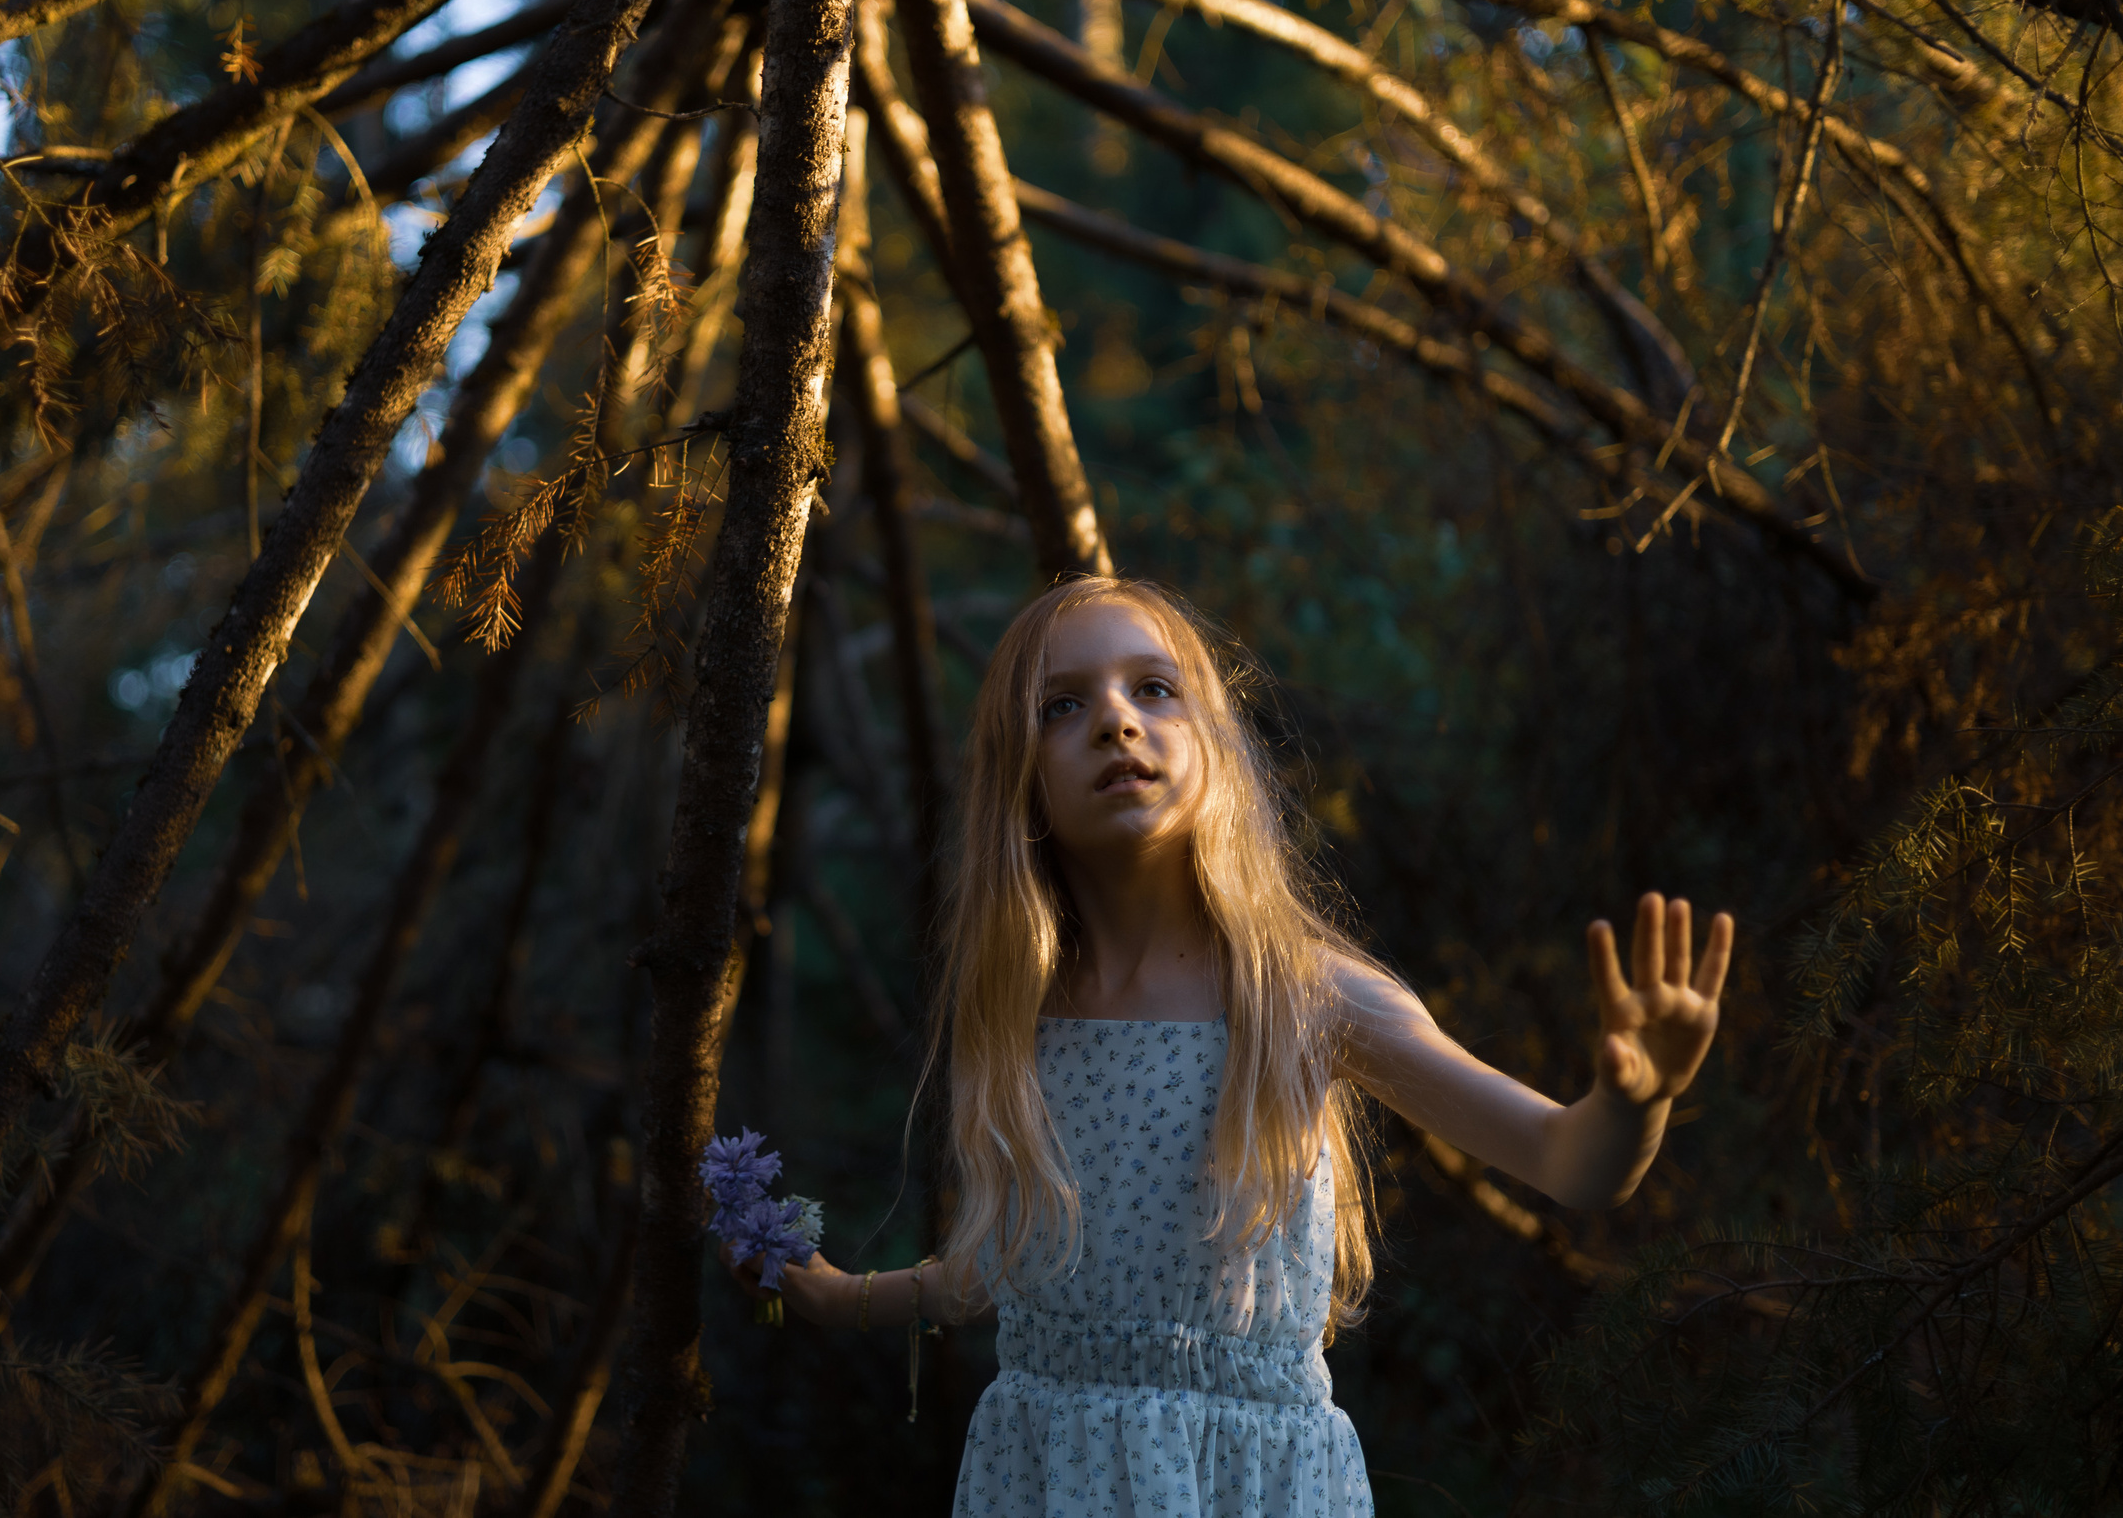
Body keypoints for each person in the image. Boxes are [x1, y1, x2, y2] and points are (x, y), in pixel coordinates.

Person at [721, 576, 1734, 1515]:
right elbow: (998, 1272)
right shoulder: (1017, 1015)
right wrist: (841, 1298)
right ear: (1014, 779)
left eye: (1153, 688)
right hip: (1046, 1474)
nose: (1116, 719)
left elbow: (1568, 1162)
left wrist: (1635, 1104)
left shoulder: (1303, 998)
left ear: (1215, 737)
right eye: (1059, 706)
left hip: (1248, 1485)